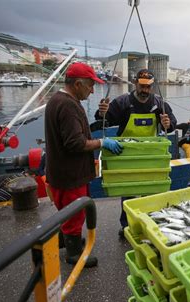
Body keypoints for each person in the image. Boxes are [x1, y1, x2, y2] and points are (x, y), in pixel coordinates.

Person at [45, 62, 123, 268]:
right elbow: (75, 143)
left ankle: (67, 240)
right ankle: (74, 254)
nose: (92, 89)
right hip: (71, 174)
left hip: (59, 172)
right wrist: (102, 142)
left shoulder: (56, 99)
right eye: (90, 85)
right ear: (78, 83)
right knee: (75, 213)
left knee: (67, 211)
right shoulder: (68, 105)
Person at [94, 69, 177, 238]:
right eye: (141, 86)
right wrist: (101, 112)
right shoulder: (122, 102)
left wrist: (168, 123)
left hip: (150, 154)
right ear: (135, 83)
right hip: (127, 155)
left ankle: (149, 224)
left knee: (151, 191)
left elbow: (172, 124)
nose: (144, 90)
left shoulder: (160, 104)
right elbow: (104, 120)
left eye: (148, 87)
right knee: (129, 192)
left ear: (152, 87)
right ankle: (127, 226)